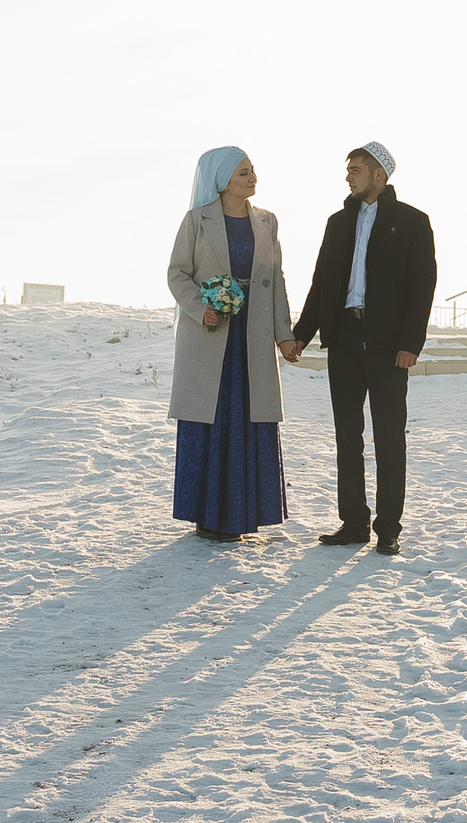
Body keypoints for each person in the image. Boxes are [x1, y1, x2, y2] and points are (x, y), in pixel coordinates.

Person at [279, 142, 436, 555]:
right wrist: (301, 334)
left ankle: (388, 528)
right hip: (344, 340)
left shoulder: (413, 222)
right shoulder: (336, 223)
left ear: (379, 175)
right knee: (347, 435)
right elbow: (322, 284)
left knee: (389, 438)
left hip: (388, 346)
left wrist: (410, 344)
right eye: (348, 170)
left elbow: (422, 287)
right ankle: (353, 522)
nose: (348, 177)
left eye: (356, 170)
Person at [164, 147, 290, 541]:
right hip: (210, 333)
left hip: (252, 336)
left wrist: (284, 335)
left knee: (250, 419)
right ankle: (208, 517)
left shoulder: (267, 222)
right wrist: (201, 308)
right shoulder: (196, 221)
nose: (253, 179)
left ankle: (244, 514)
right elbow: (177, 273)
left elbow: (277, 280)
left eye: (253, 171)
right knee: (212, 418)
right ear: (222, 180)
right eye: (243, 173)